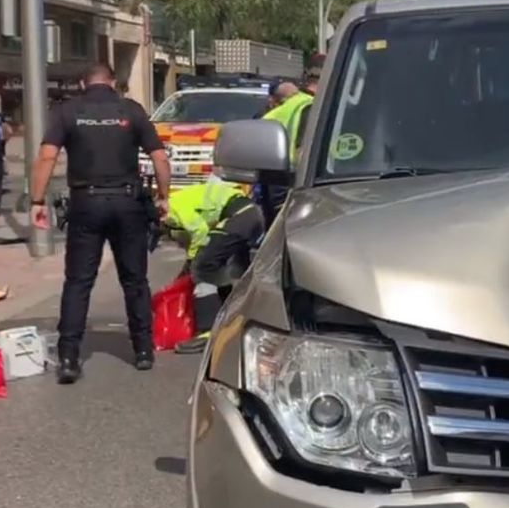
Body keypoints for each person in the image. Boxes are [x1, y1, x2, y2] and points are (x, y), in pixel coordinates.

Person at [28, 63, 172, 384]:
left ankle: (68, 357)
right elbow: (160, 158)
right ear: (113, 83)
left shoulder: (68, 111)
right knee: (134, 279)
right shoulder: (131, 111)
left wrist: (37, 201)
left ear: (83, 82)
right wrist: (163, 197)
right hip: (128, 203)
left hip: (86, 204)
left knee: (79, 281)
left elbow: (46, 157)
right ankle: (143, 350)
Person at [161, 178, 264, 354]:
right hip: (250, 215)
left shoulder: (173, 208)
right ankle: (226, 322)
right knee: (218, 269)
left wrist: (192, 262)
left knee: (203, 267)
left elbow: (199, 231)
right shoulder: (182, 199)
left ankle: (208, 331)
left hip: (240, 216)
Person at [255, 79, 314, 229]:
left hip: (281, 177)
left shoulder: (270, 116)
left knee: (278, 226)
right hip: (309, 174)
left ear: (274, 99)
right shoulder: (313, 103)